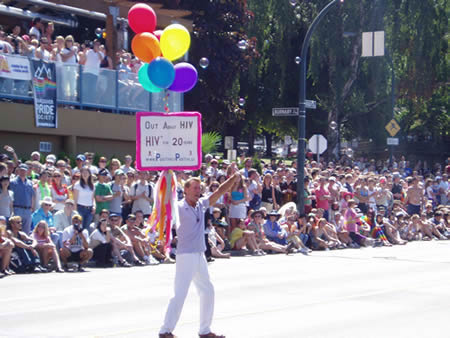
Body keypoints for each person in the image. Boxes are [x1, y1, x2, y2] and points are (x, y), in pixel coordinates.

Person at [159, 173, 239, 338]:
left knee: (208, 291)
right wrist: (167, 177)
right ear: (186, 190)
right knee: (180, 294)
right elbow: (165, 202)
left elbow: (218, 192)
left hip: (200, 255)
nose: (198, 191)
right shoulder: (178, 207)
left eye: (200, 188)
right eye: (195, 188)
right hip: (185, 255)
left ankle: (205, 330)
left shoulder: (201, 204)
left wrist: (233, 179)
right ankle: (165, 330)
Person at [9, 164, 35, 234]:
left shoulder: (30, 183)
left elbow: (32, 196)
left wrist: (32, 208)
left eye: (24, 170)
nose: (22, 172)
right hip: (17, 208)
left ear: (27, 171)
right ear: (18, 170)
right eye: (21, 170)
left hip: (27, 210)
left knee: (26, 231)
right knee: (15, 230)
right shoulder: (12, 182)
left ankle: (25, 244)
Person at [73, 167, 95, 232]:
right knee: (79, 227)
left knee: (87, 228)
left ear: (89, 174)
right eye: (83, 172)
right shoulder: (77, 185)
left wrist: (94, 206)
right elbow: (75, 199)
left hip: (89, 209)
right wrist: (75, 210)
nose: (85, 174)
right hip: (80, 208)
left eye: (86, 172)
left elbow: (93, 198)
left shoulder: (92, 185)